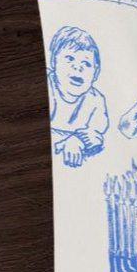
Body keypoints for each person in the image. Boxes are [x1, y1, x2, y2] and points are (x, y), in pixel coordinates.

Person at [46, 26, 108, 168]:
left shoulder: (95, 100)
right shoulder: (48, 86)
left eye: (86, 63)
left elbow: (96, 134)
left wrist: (77, 140)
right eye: (69, 59)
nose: (78, 67)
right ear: (53, 62)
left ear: (96, 73)